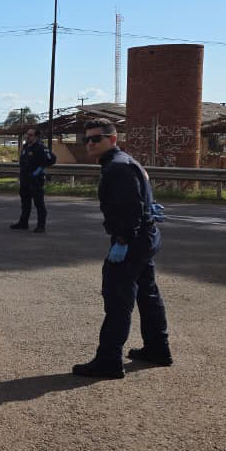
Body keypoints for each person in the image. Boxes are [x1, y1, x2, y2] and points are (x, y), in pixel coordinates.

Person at [73, 118, 172, 379]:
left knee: (118, 300)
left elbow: (130, 212)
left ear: (113, 139)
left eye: (97, 139)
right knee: (147, 294)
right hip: (145, 238)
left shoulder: (117, 168)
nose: (90, 144)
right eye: (87, 139)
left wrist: (122, 243)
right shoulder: (126, 162)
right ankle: (157, 348)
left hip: (132, 242)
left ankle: (109, 360)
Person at [9, 127, 56, 233]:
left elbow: (51, 159)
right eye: (27, 134)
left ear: (36, 136)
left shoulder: (40, 148)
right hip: (25, 178)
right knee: (25, 202)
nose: (27, 136)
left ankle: (41, 225)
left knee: (39, 203)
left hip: (35, 180)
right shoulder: (26, 146)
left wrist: (39, 169)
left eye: (30, 135)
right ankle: (23, 223)